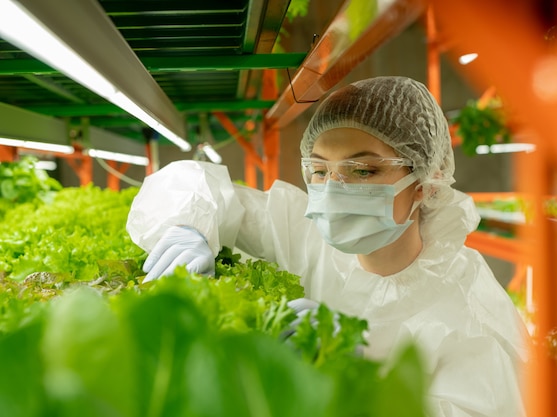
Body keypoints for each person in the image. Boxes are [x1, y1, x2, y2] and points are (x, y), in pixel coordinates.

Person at [126, 76, 529, 416]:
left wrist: (363, 379)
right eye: (319, 170)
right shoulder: (306, 235)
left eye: (363, 170)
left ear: (424, 184)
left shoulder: (471, 310)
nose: (334, 190)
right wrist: (187, 226)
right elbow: (192, 186)